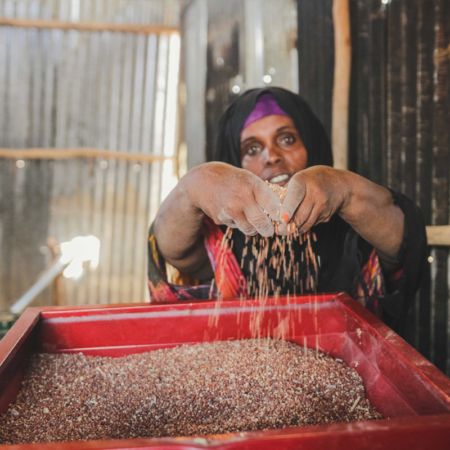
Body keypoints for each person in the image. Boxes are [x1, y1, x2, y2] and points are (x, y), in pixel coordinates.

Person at [148, 87, 427, 335]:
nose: (271, 156)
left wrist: (343, 188)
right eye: (252, 148)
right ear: (234, 162)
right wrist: (193, 187)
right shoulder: (224, 241)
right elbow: (173, 251)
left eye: (287, 139)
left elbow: (404, 243)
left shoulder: (355, 228)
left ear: (311, 144)